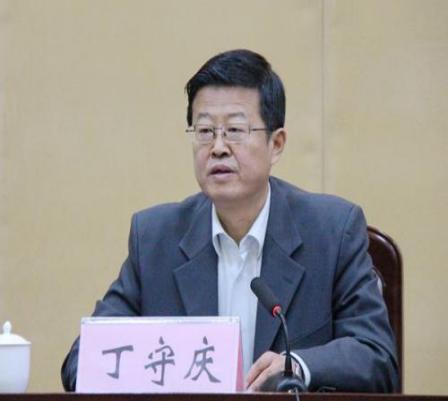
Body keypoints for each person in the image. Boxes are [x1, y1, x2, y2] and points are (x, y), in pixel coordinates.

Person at [61, 49, 399, 392]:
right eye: (205, 131)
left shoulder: (332, 232)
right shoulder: (154, 240)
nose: (218, 147)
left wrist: (297, 366)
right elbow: (81, 361)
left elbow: (377, 358)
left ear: (276, 144)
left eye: (235, 130)